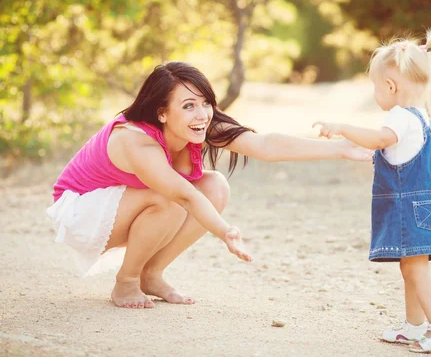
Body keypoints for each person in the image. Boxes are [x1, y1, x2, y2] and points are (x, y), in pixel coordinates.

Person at [47, 62, 372, 309]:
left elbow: (265, 146)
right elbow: (183, 195)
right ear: (162, 113)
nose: (202, 114)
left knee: (215, 185)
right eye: (188, 105)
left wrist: (339, 148)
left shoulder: (200, 124)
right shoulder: (137, 143)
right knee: (170, 198)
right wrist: (225, 232)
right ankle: (126, 281)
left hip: (125, 205)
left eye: (205, 102)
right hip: (81, 212)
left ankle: (151, 275)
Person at [313, 28, 431, 353]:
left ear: (390, 86)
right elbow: (425, 163)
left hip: (408, 208)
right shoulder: (422, 118)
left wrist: (341, 128)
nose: (375, 94)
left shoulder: (399, 117)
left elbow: (381, 139)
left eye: (375, 87)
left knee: (414, 268)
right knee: (409, 266)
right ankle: (414, 326)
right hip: (423, 205)